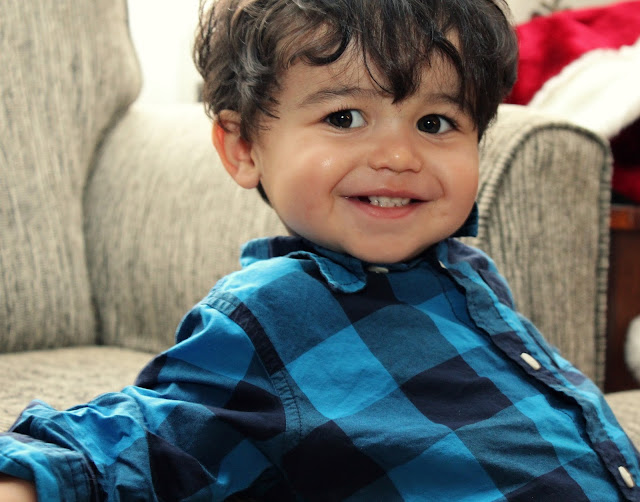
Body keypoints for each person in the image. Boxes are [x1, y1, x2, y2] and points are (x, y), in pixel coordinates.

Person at [1, 0, 639, 499]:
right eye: (344, 118)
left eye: (435, 123)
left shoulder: (471, 276)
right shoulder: (268, 312)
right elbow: (127, 448)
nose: (399, 156)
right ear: (243, 148)